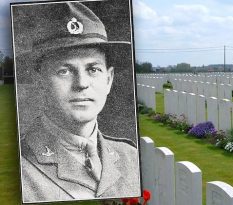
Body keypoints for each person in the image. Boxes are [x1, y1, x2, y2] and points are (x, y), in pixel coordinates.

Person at [12, 2, 140, 203]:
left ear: (108, 80)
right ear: (40, 82)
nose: (81, 84)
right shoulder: (19, 167)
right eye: (64, 71)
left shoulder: (131, 157)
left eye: (93, 69)